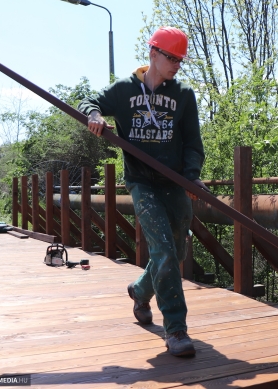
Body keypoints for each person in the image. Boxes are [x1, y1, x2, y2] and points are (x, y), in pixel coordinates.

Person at [78, 26, 208, 357]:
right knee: (163, 250)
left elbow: (193, 143)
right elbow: (89, 101)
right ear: (153, 53)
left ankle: (139, 291)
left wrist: (191, 177)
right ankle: (175, 329)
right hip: (142, 182)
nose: (177, 65)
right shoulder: (124, 90)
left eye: (180, 60)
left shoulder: (183, 94)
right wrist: (94, 115)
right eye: (172, 58)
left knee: (176, 252)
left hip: (174, 182)